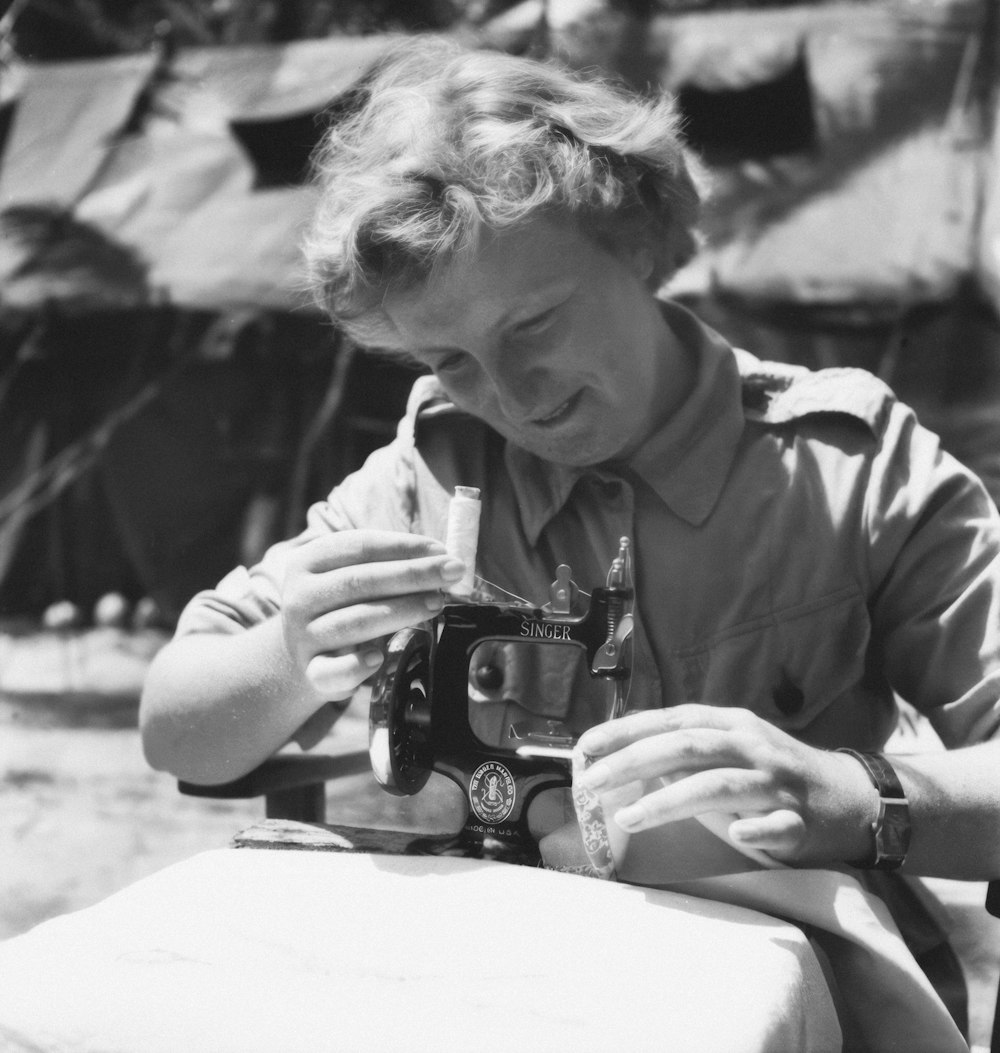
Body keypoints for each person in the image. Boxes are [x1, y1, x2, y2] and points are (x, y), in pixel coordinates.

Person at [141, 38, 1000, 928]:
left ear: (633, 239)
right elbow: (177, 731)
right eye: (450, 360)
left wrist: (853, 798)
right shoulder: (434, 476)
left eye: (534, 325)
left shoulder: (850, 468)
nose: (509, 396)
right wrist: (288, 658)